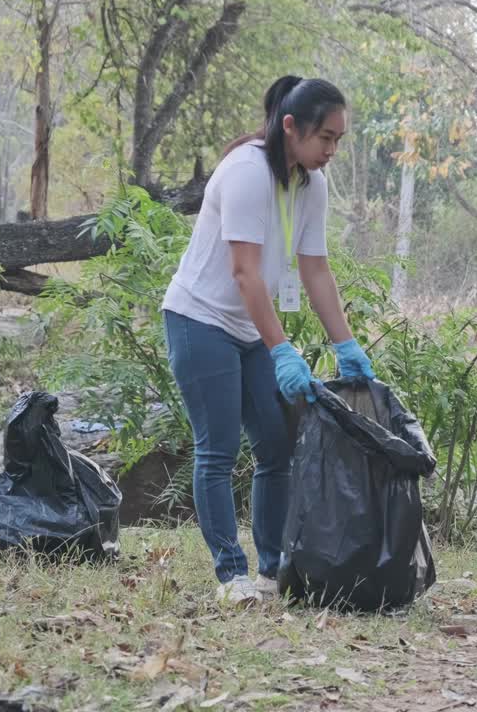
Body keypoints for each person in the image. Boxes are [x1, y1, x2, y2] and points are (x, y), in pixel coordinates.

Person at [161, 75, 375, 605]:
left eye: (338, 140)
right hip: (199, 319)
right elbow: (245, 275)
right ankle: (231, 576)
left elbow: (316, 271)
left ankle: (272, 570)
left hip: (249, 327)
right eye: (325, 137)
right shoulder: (247, 173)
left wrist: (346, 345)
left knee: (277, 447)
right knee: (218, 449)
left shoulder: (310, 184)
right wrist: (283, 350)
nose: (331, 150)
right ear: (290, 127)